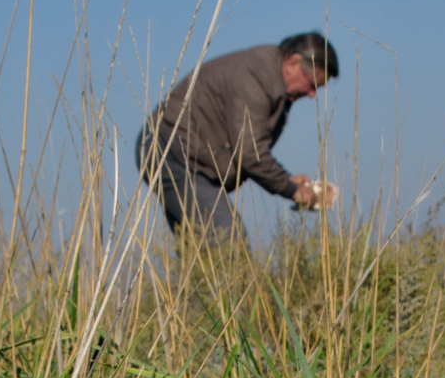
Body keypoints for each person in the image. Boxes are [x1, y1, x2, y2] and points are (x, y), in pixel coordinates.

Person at [137, 32, 339, 243]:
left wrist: (286, 179)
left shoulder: (273, 82)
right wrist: (294, 190)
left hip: (193, 162)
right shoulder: (256, 77)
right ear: (294, 62)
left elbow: (249, 148)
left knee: (201, 254)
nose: (312, 94)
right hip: (172, 153)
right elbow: (250, 153)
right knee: (228, 242)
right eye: (312, 84)